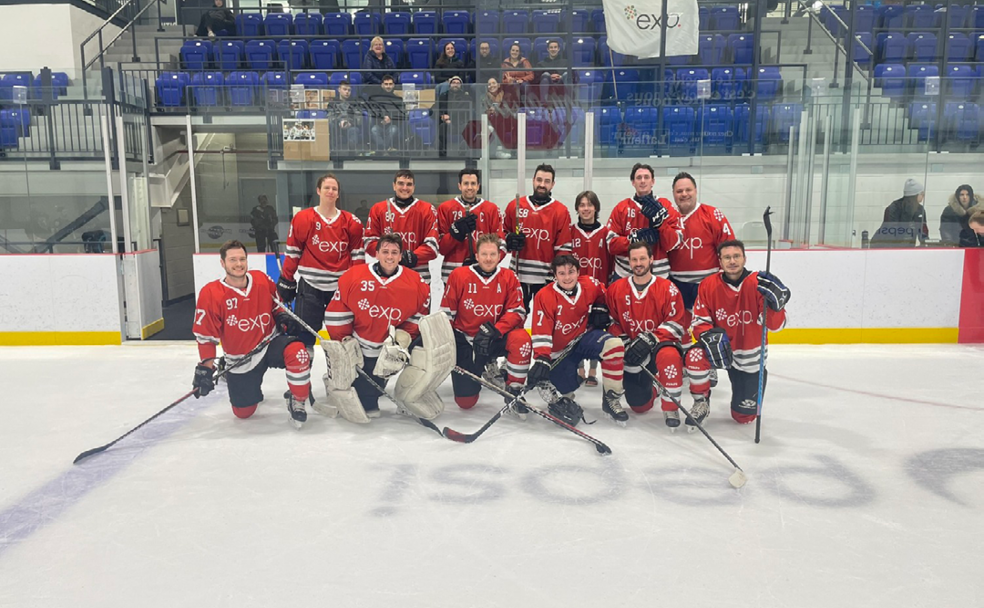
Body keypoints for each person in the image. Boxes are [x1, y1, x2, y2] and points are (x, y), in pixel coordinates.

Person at [192, 240, 310, 427]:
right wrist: (206, 368)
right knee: (244, 413)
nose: (239, 264)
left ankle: (298, 400)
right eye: (232, 260)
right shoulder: (211, 293)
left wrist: (283, 318)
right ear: (222, 263)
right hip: (242, 357)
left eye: (242, 259)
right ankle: (227, 370)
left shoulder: (262, 280)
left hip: (269, 342)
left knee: (299, 352)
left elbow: (276, 307)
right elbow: (206, 336)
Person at [324, 233, 432, 420]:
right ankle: (336, 380)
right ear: (376, 254)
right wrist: (344, 343)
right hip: (360, 347)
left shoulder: (416, 283)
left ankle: (406, 391)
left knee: (425, 347)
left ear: (400, 256)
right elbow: (337, 311)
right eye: (385, 252)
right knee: (369, 407)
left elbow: (419, 315)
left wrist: (401, 340)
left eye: (394, 252)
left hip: (386, 348)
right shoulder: (354, 277)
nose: (389, 257)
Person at [684, 239, 790, 427]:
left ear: (744, 258)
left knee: (743, 417)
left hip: (749, 355)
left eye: (736, 256)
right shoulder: (708, 285)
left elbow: (775, 326)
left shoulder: (759, 284)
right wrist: (709, 336)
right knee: (694, 356)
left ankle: (744, 401)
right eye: (727, 257)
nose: (732, 261)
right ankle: (701, 402)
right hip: (719, 350)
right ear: (720, 261)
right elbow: (699, 322)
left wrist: (777, 307)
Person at [527, 254, 627, 425]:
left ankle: (611, 399)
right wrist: (542, 358)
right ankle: (558, 380)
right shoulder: (545, 296)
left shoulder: (589, 284)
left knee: (614, 345)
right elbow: (541, 330)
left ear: (578, 272)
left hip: (583, 338)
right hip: (560, 353)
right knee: (566, 391)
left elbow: (604, 294)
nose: (567, 277)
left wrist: (600, 307)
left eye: (571, 272)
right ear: (554, 275)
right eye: (562, 273)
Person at [277, 173, 364, 356]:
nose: (330, 192)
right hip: (309, 285)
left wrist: (356, 284)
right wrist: (287, 278)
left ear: (338, 194)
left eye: (334, 189)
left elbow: (357, 256)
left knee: (341, 337)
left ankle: (339, 380)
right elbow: (293, 252)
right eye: (327, 188)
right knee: (305, 336)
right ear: (318, 191)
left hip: (340, 287)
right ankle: (303, 379)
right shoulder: (303, 218)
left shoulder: (351, 222)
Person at [441, 233, 531, 410]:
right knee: (465, 403)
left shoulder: (509, 276)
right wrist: (449, 346)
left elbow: (518, 311)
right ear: (476, 256)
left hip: (494, 338)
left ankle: (514, 390)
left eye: (493, 254)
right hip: (467, 341)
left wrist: (495, 330)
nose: (488, 259)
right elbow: (446, 314)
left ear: (499, 256)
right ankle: (480, 365)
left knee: (521, 340)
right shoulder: (459, 275)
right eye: (484, 254)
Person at [607, 242, 687, 428]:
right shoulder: (616, 289)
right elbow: (612, 321)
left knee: (670, 355)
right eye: (634, 259)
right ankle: (655, 385)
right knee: (639, 406)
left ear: (651, 259)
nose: (638, 263)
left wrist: (652, 338)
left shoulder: (668, 288)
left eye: (643, 258)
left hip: (659, 346)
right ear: (629, 262)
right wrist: (625, 340)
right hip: (633, 350)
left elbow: (676, 323)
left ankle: (671, 407)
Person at [666, 172, 735, 328]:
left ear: (696, 191)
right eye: (679, 191)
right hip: (677, 285)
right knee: (679, 333)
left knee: (711, 332)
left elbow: (729, 249)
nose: (684, 194)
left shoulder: (712, 215)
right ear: (673, 194)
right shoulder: (668, 219)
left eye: (688, 190)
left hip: (708, 284)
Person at [502, 164, 573, 310]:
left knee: (546, 318)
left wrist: (556, 275)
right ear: (533, 180)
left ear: (553, 184)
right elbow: (500, 235)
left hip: (545, 277)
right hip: (517, 275)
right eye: (539, 180)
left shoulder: (561, 211)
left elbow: (563, 250)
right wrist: (509, 239)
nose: (542, 184)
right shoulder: (515, 206)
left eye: (547, 181)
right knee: (515, 317)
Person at [606, 163, 683, 280]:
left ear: (653, 181)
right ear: (633, 182)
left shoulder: (666, 206)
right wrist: (632, 240)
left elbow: (673, 243)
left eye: (646, 177)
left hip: (658, 275)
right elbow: (611, 245)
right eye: (638, 178)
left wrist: (661, 225)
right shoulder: (621, 208)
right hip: (625, 274)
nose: (643, 181)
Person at [364, 170, 439, 281]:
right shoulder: (378, 209)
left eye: (409, 184)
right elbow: (369, 243)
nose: (405, 188)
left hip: (419, 276)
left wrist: (412, 257)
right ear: (394, 186)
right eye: (400, 183)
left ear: (414, 187)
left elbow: (433, 246)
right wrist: (391, 255)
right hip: (387, 276)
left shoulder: (427, 210)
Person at [570, 190, 612, 387]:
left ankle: (593, 372)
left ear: (596, 207)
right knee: (576, 329)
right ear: (577, 208)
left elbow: (612, 262)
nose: (586, 208)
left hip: (598, 292)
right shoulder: (570, 232)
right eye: (582, 205)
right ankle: (578, 369)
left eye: (589, 204)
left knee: (596, 328)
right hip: (575, 292)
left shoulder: (606, 233)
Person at [436, 168, 504, 282]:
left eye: (473, 184)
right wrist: (455, 232)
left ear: (478, 186)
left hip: (483, 272)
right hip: (451, 272)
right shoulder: (445, 208)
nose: (469, 187)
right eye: (466, 183)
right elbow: (441, 248)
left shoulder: (491, 209)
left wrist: (486, 262)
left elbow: (500, 243)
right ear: (459, 186)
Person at [870, 179, 929, 248]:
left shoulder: (920, 210)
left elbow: (923, 232)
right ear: (916, 195)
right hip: (885, 247)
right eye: (922, 194)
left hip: (904, 249)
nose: (923, 196)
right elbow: (891, 233)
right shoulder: (894, 208)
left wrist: (925, 244)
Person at [435, 75, 473, 157]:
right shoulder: (443, 96)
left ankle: (463, 152)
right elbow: (436, 108)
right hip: (447, 123)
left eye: (458, 83)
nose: (455, 85)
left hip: (461, 122)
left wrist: (450, 117)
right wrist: (442, 116)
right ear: (450, 84)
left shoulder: (466, 97)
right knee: (442, 127)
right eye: (454, 83)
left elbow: (465, 110)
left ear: (461, 86)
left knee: (469, 128)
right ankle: (442, 152)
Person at [365, 74, 404, 152]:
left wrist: (390, 119)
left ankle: (383, 150)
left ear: (393, 85)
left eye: (390, 84)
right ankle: (386, 149)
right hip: (379, 124)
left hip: (392, 125)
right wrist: (381, 118)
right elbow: (373, 111)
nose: (388, 86)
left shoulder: (398, 99)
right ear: (382, 85)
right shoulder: (376, 98)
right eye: (386, 84)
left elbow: (400, 114)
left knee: (393, 130)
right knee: (374, 130)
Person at [327, 80, 364, 153]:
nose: (347, 92)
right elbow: (330, 117)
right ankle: (333, 152)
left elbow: (359, 118)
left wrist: (350, 122)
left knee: (354, 130)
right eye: (345, 89)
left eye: (349, 90)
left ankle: (352, 153)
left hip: (350, 125)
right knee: (331, 125)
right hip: (336, 126)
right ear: (339, 90)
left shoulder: (354, 103)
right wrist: (339, 122)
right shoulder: (332, 103)